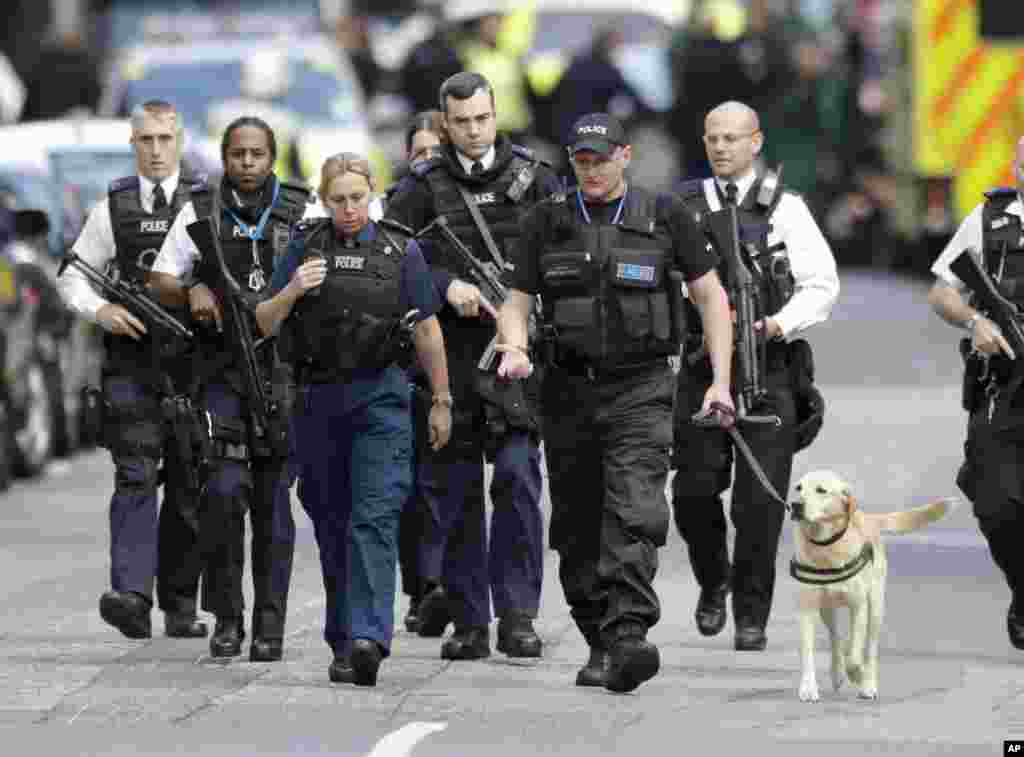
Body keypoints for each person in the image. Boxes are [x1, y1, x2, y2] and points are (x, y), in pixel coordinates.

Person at [495, 111, 734, 693]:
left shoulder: (665, 216)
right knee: (577, 528)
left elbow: (711, 298)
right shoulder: (545, 220)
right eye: (581, 160)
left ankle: (629, 635)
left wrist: (720, 381)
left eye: (601, 159)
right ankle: (599, 639)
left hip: (642, 388)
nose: (591, 170)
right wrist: (516, 347)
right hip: (567, 391)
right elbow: (517, 302)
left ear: (625, 156)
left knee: (635, 510)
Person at [255, 152, 452, 686]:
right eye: (338, 199)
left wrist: (441, 399)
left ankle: (369, 636)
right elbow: (265, 321)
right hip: (318, 400)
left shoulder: (399, 248)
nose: (348, 209)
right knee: (331, 521)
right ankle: (343, 639)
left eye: (357, 198)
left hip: (381, 397)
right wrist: (294, 288)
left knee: (375, 516)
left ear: (372, 194)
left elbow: (427, 330)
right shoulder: (306, 244)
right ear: (324, 199)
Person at [386, 71, 561, 660]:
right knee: (454, 490)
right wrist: (444, 283)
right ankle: (469, 620)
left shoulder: (535, 179)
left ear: (495, 114)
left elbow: (566, 257)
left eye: (482, 119)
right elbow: (388, 262)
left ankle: (517, 615)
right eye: (460, 122)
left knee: (515, 479)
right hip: (452, 357)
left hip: (515, 355)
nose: (472, 130)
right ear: (444, 121)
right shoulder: (420, 187)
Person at [671, 101, 839, 652]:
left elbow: (822, 284)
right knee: (694, 492)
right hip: (701, 366)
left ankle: (751, 612)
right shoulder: (683, 207)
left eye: (732, 138)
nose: (721, 148)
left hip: (768, 367)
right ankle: (713, 581)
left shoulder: (784, 208)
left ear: (756, 143)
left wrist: (776, 323)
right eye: (712, 138)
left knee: (759, 504)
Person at [149, 116, 310, 662]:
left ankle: (270, 626)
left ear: (272, 157)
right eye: (238, 154)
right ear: (224, 157)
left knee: (273, 510)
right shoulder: (199, 212)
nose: (247, 164)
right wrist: (194, 287)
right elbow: (161, 278)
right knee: (221, 495)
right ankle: (227, 617)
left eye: (257, 154)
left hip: (282, 376)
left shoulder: (300, 211)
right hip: (220, 375)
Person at [56, 100, 208, 640]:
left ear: (180, 140)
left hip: (192, 368)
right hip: (132, 365)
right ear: (134, 144)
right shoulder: (113, 209)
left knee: (191, 486)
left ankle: (181, 603)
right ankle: (130, 595)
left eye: (165, 138)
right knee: (136, 476)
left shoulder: (202, 204)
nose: (157, 149)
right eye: (146, 139)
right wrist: (101, 310)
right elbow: (72, 277)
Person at [927, 135, 1024, 650]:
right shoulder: (989, 222)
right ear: (1017, 165)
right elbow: (943, 289)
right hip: (1003, 387)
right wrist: (974, 320)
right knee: (995, 503)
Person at [393, 109, 446, 634]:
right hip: (410, 357)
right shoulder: (396, 206)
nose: (427, 162)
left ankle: (448, 584)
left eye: (437, 152)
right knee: (414, 484)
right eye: (419, 153)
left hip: (464, 351)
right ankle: (423, 587)